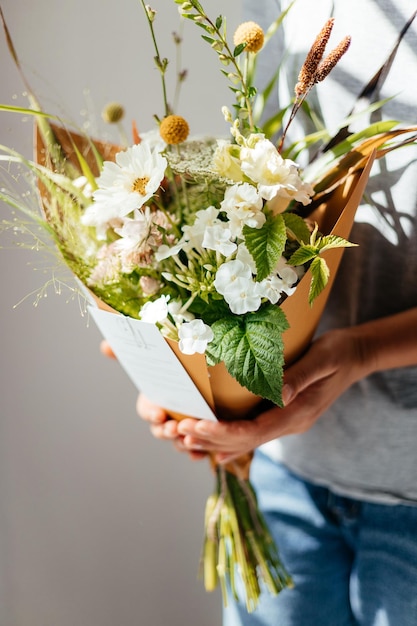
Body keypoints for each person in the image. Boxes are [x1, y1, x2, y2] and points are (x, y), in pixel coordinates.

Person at [129, 1, 417, 624]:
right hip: (290, 467)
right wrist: (192, 387)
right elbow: (268, 194)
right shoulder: (282, 9)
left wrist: (362, 352)